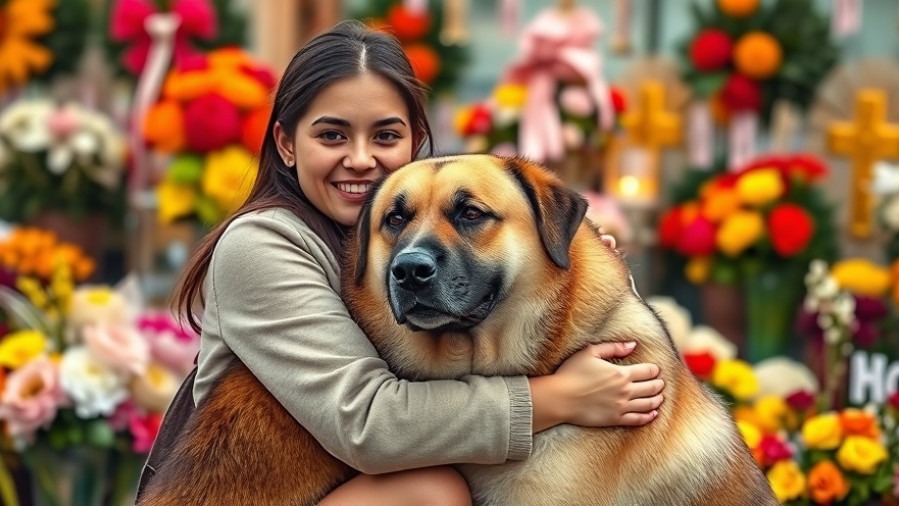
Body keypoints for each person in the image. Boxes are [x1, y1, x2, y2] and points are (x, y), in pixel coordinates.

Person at [141, 20, 665, 505]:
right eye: (332, 135)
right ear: (286, 144)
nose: (362, 159)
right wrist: (557, 398)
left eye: (386, 137)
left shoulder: (403, 236)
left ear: (416, 144)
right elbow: (365, 423)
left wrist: (576, 269)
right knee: (429, 493)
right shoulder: (262, 244)